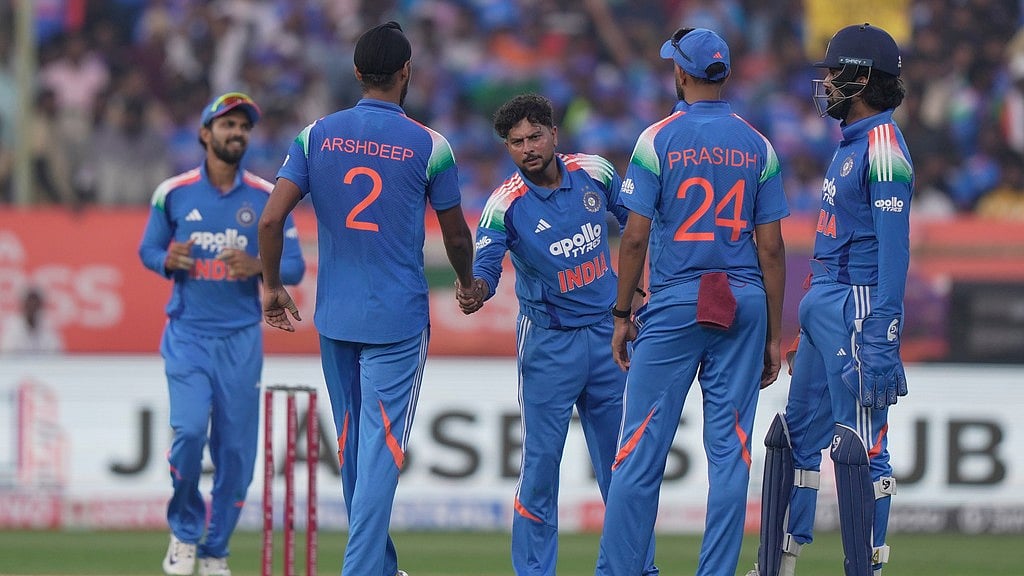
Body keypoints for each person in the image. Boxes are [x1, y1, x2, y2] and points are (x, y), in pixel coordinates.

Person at [258, 21, 475, 576]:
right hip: (397, 319)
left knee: (355, 447)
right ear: (406, 72)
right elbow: (453, 234)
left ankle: (379, 566)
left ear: (356, 73)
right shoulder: (431, 145)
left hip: (335, 316)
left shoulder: (315, 135)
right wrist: (468, 280)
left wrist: (271, 286)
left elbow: (271, 218)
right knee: (382, 453)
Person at [595, 27, 788, 576]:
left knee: (637, 452)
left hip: (678, 300)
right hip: (743, 299)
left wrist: (620, 314)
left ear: (680, 73)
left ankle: (621, 571)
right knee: (731, 454)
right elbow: (771, 248)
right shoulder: (759, 144)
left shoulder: (656, 139)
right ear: (722, 75)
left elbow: (633, 237)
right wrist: (772, 333)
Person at [456, 93, 656, 576]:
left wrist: (638, 292)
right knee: (540, 471)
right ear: (508, 147)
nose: (527, 148)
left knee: (624, 467)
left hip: (611, 337)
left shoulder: (596, 171)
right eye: (516, 142)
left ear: (554, 134)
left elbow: (637, 224)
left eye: (534, 136)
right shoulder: (503, 204)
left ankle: (636, 568)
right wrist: (477, 289)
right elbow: (486, 264)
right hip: (549, 346)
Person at [746, 23, 913, 576]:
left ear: (862, 78)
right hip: (826, 305)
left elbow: (894, 252)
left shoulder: (884, 146)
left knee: (859, 447)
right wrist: (812, 319)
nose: (827, 84)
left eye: (836, 72)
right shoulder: (852, 145)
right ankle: (779, 564)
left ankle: (866, 568)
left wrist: (883, 329)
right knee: (791, 439)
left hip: (860, 306)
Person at [138, 91, 306, 576]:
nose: (236, 133)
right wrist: (167, 260)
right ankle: (185, 530)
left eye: (243, 127)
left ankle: (215, 550)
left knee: (236, 455)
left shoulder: (265, 196)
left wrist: (257, 265)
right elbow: (147, 251)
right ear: (205, 134)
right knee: (189, 431)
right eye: (227, 125)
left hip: (241, 340)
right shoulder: (173, 192)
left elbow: (292, 266)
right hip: (188, 334)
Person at [0, 287, 64, 354]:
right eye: (29, 304)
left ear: (40, 306)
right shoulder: (12, 327)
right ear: (23, 305)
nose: (32, 307)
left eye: (35, 304)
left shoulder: (48, 327)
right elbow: (7, 357)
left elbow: (56, 355)